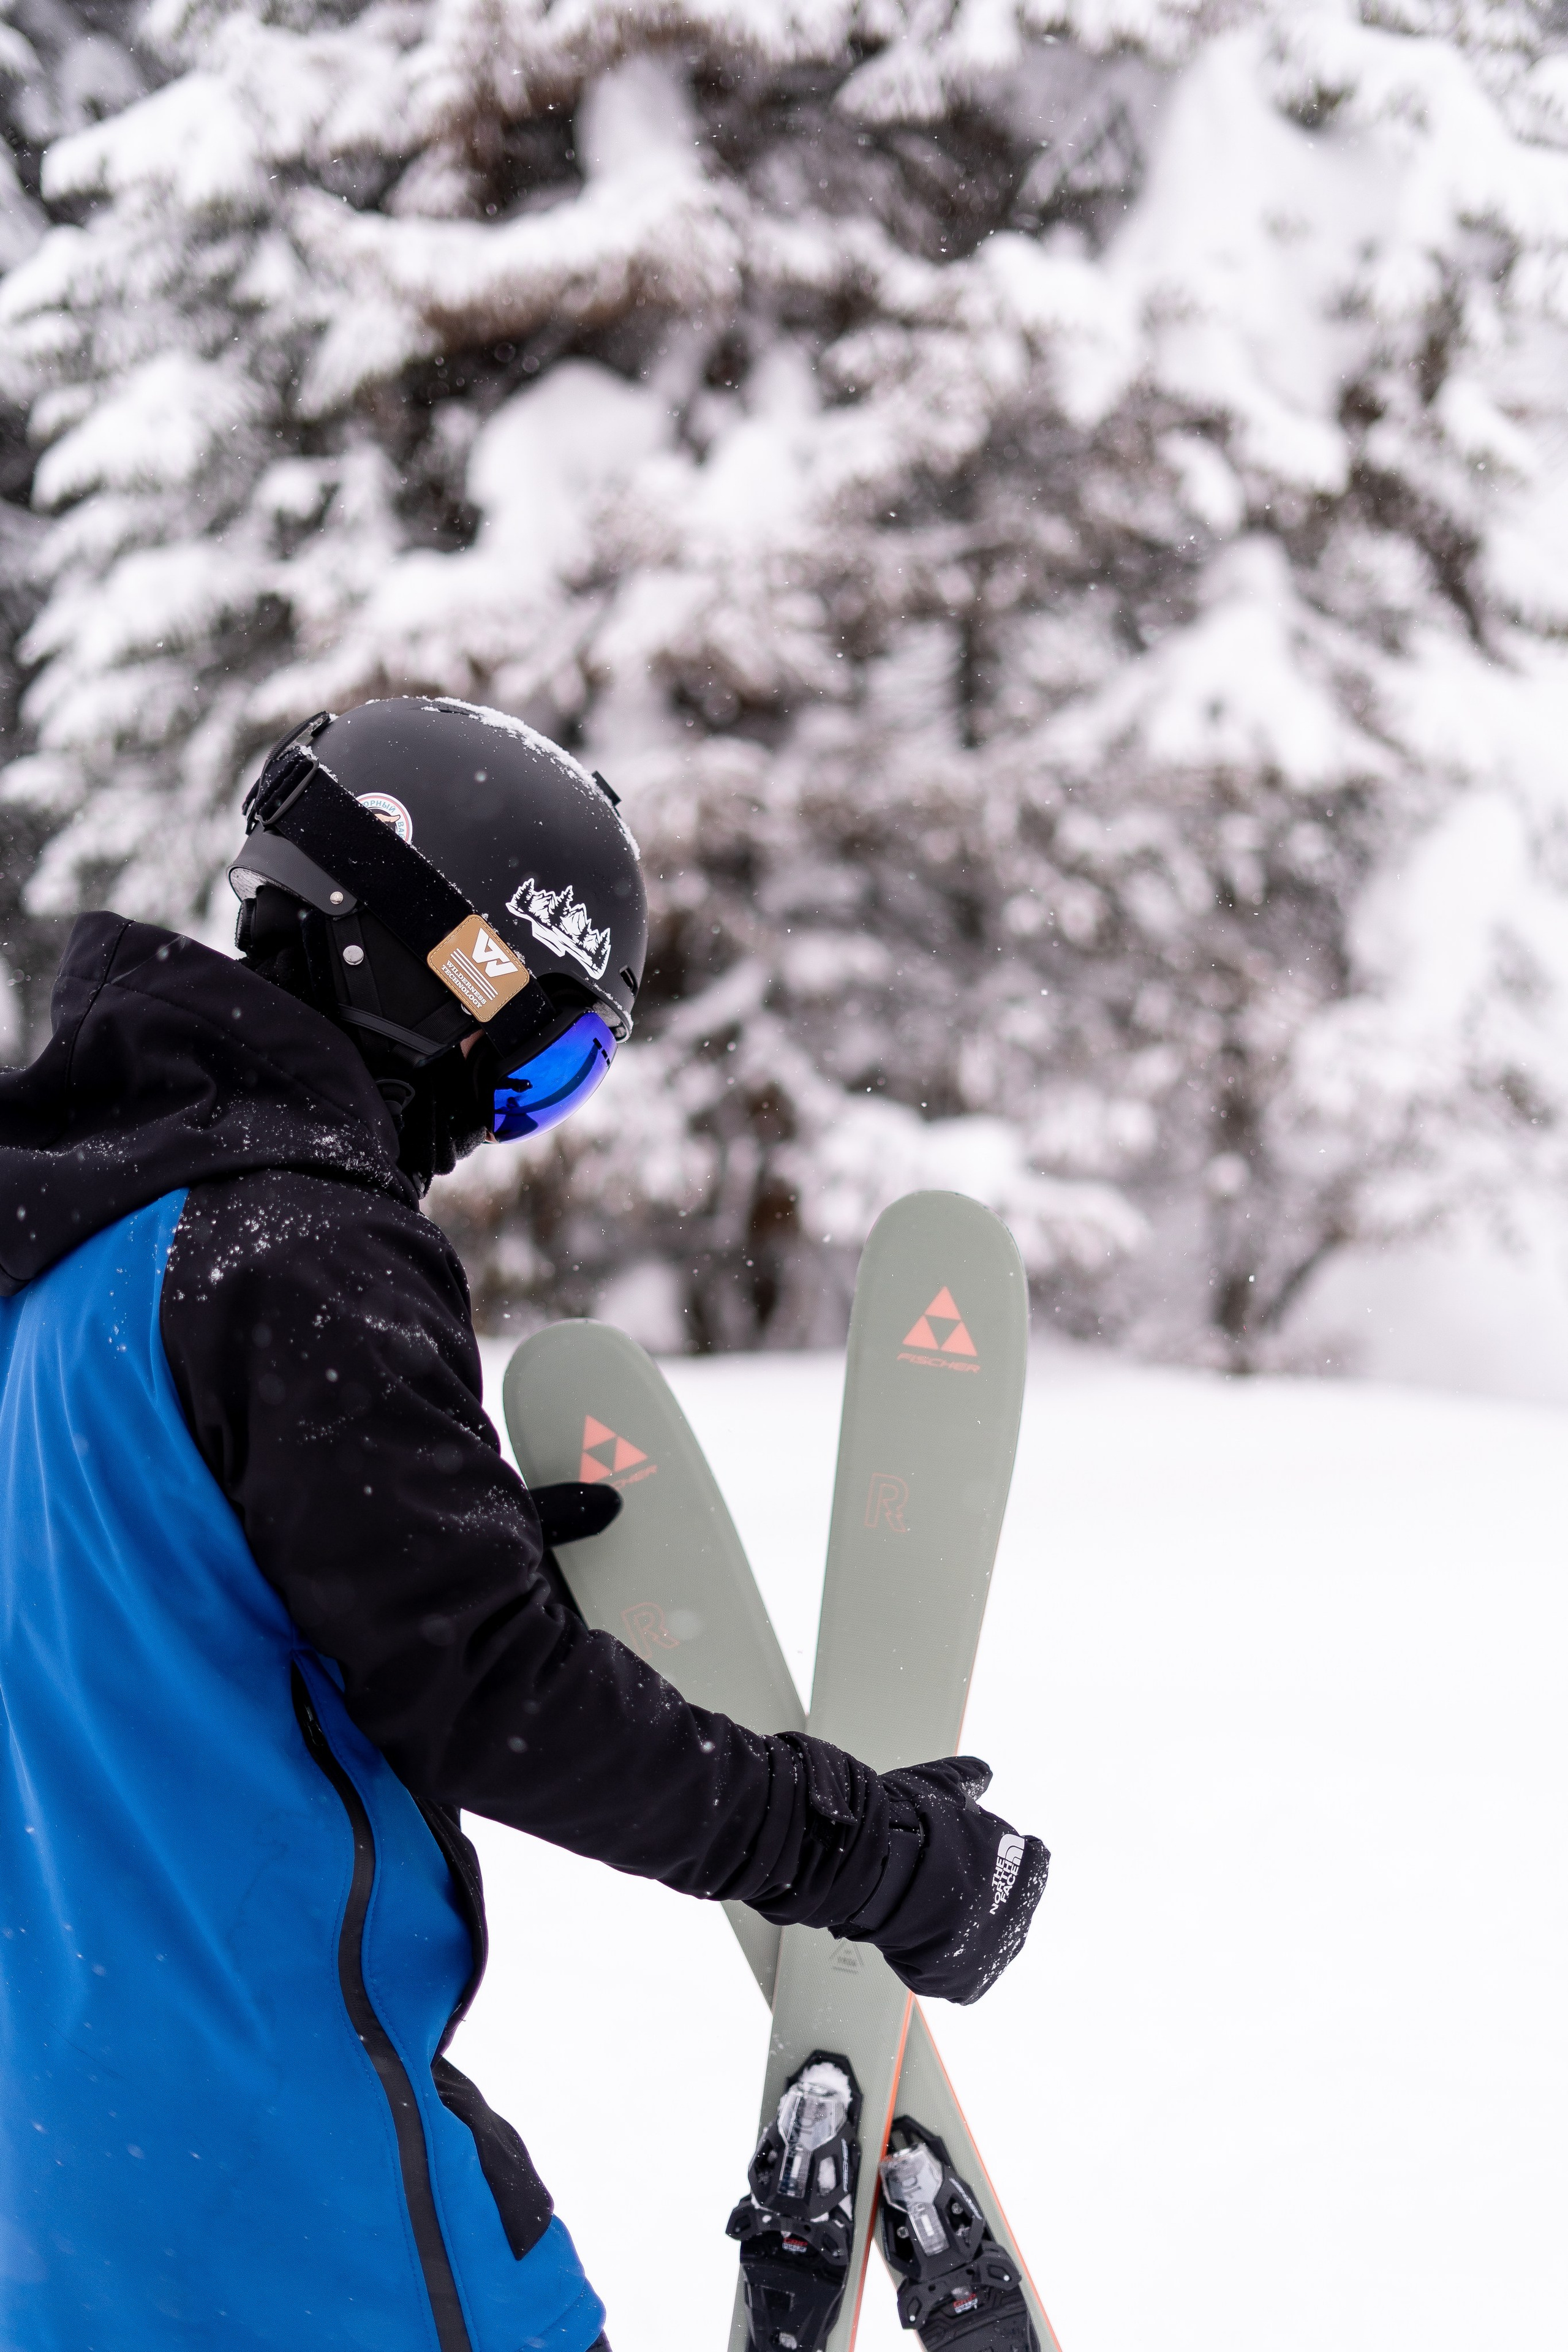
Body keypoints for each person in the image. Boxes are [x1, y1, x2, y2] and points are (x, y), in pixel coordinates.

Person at [0, 696, 1047, 2352]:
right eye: (544, 1055)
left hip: (60, 2182)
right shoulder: (301, 1253)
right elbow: (500, 1699)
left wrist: (417, 1537)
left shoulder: (66, 1266)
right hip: (285, 2171)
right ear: (444, 967)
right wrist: (863, 1853)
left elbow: (163, 1627)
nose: (502, 1122)